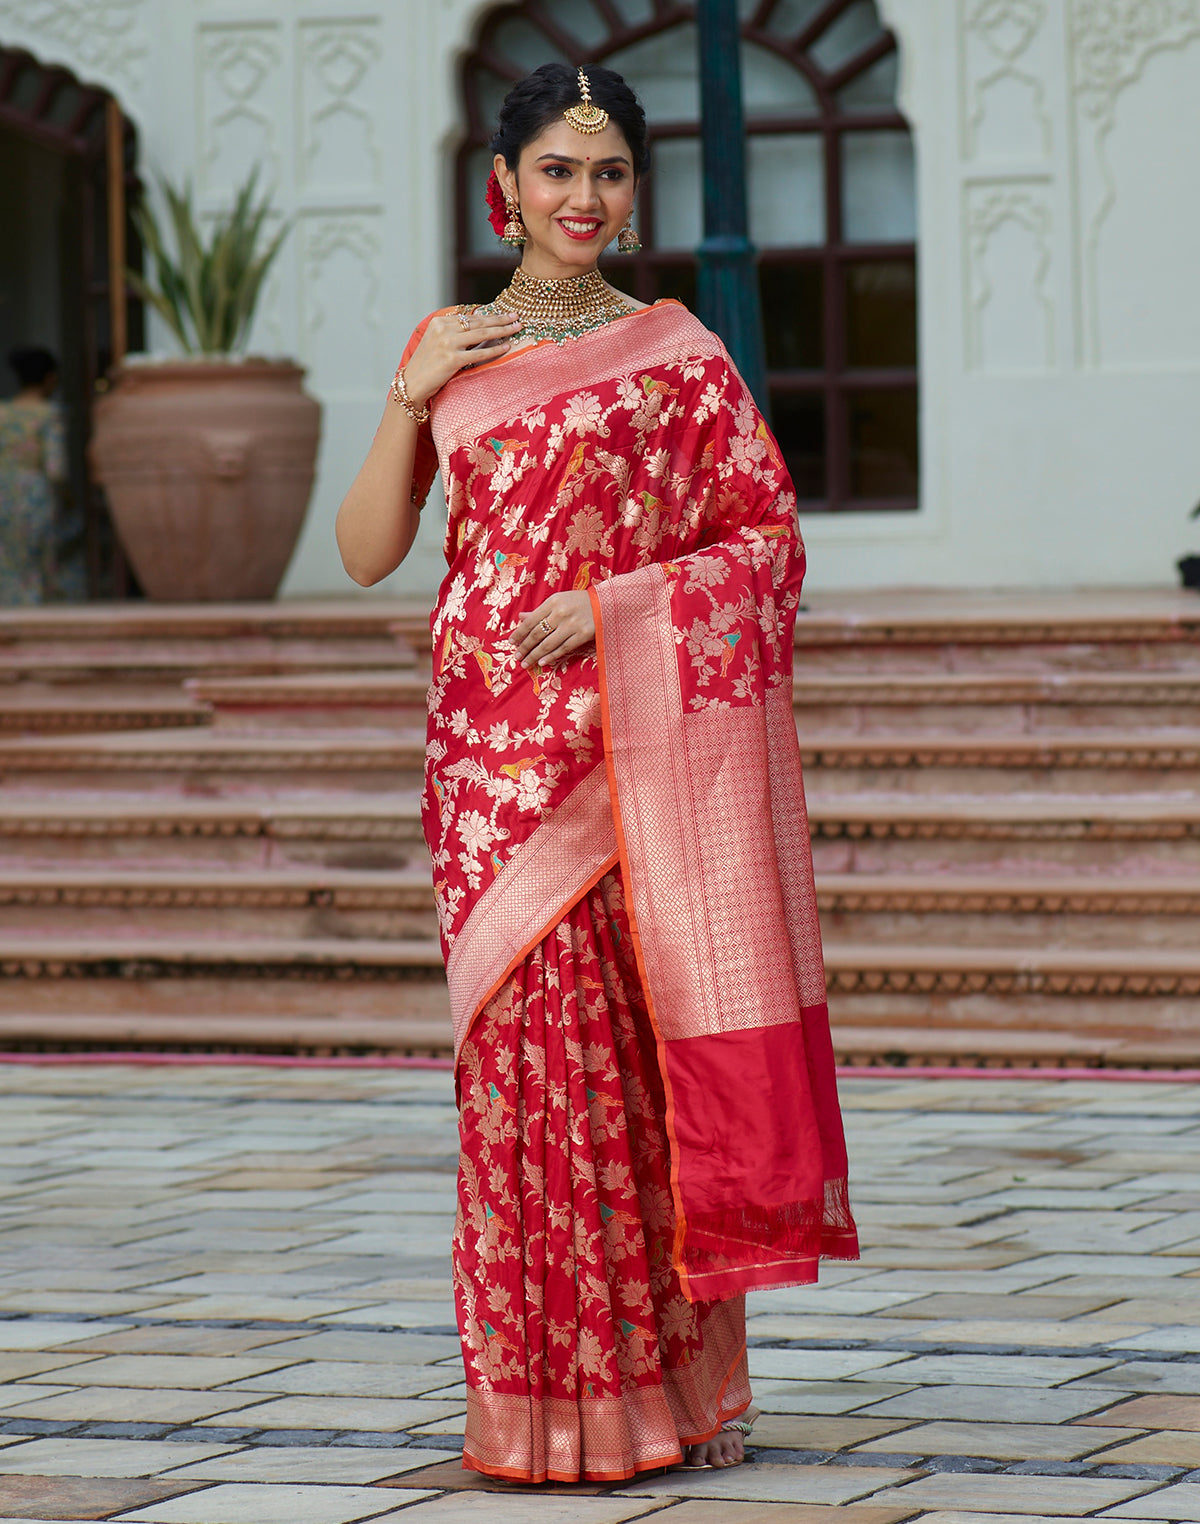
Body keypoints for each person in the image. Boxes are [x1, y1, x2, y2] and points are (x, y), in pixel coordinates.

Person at [337, 61, 859, 1485]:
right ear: (502, 185)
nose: (584, 196)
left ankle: (662, 1405)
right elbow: (368, 551)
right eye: (558, 170)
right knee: (521, 1086)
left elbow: (766, 546)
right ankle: (539, 1412)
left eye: (611, 171)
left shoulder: (679, 354)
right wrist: (409, 392)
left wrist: (622, 608)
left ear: (635, 194)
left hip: (633, 763)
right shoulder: (451, 344)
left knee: (628, 1079)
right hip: (490, 774)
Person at [0, 347, 66, 604]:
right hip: (32, 492)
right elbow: (55, 467)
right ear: (50, 378)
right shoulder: (49, 413)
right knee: (35, 560)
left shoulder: (2, 412)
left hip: (2, 489)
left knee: (6, 558)